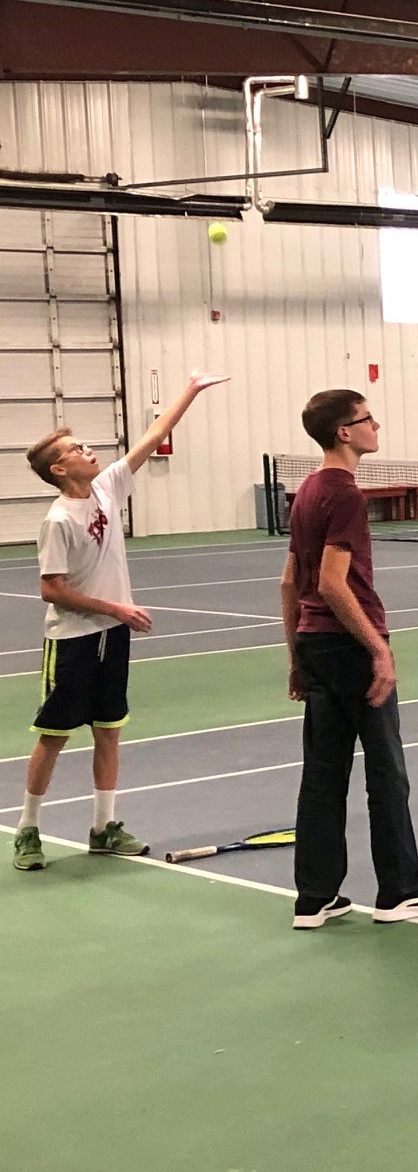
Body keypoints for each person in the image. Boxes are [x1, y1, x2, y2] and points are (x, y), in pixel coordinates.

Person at [15, 371, 229, 872]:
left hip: (112, 636)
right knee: (55, 734)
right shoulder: (58, 520)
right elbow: (52, 590)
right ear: (59, 467)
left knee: (109, 729)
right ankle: (27, 829)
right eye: (77, 448)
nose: (90, 450)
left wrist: (190, 391)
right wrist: (117, 609)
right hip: (72, 641)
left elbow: (152, 439)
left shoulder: (108, 488)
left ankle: (102, 827)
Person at [281, 390, 418, 930]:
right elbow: (331, 584)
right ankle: (399, 890)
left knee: (323, 775)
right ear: (344, 434)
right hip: (350, 646)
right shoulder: (346, 497)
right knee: (386, 772)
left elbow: (290, 583)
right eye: (366, 418)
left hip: (314, 644)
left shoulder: (307, 491)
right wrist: (378, 648)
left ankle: (315, 897)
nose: (377, 424)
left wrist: (295, 656)